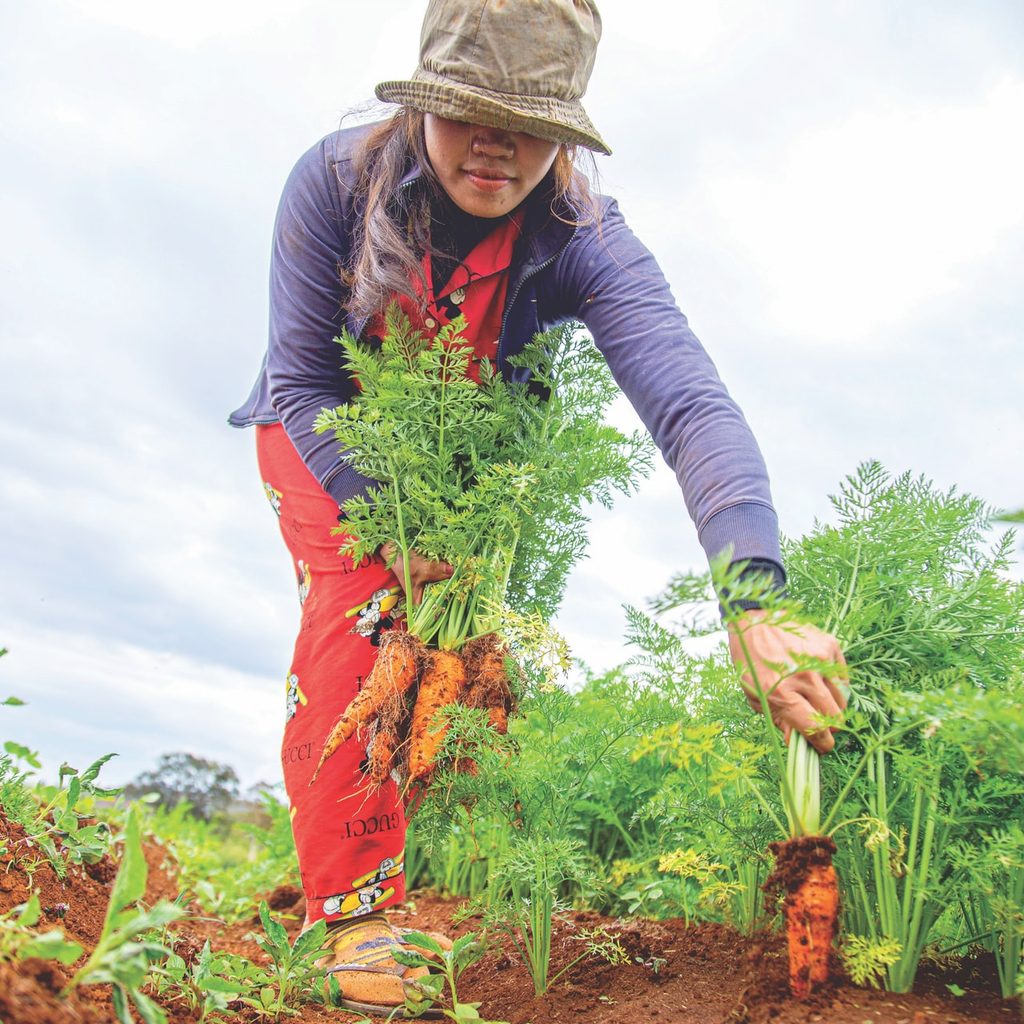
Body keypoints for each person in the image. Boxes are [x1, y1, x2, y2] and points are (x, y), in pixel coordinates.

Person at [229, 0, 849, 1013]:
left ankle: (393, 861)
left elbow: (689, 401)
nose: (499, 144)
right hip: (325, 439)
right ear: (426, 98)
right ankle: (343, 915)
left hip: (464, 461)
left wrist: (753, 594)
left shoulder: (581, 235)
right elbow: (303, 380)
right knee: (366, 612)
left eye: (532, 122)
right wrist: (389, 525)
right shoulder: (334, 182)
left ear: (563, 131)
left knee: (459, 674)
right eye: (472, 109)